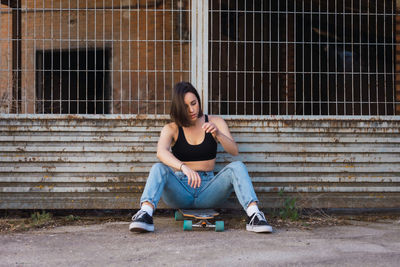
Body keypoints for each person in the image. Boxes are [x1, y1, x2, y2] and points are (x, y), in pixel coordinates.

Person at [129, 82, 272, 233]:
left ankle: (255, 215)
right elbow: (161, 152)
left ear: (198, 101)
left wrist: (218, 134)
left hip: (209, 190)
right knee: (158, 168)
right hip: (180, 190)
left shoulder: (215, 122)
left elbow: (234, 150)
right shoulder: (171, 128)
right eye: (185, 107)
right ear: (178, 108)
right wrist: (183, 168)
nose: (191, 110)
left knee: (237, 166)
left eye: (194, 103)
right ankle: (145, 214)